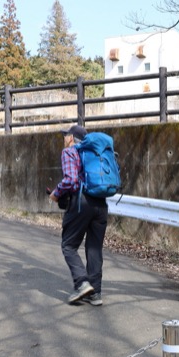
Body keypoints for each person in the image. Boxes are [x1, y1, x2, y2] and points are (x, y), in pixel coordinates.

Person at [50, 124, 109, 306]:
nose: (64, 139)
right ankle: (95, 293)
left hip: (81, 202)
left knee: (68, 245)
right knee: (94, 248)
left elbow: (70, 180)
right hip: (101, 202)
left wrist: (56, 193)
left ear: (71, 138)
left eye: (65, 136)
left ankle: (82, 283)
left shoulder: (70, 152)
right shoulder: (94, 154)